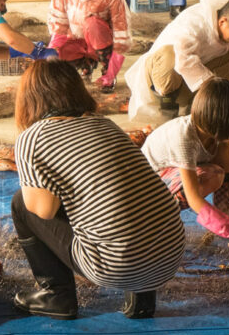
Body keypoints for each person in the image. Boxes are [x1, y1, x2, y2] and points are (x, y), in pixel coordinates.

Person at [12, 59, 185, 320]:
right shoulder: (104, 123)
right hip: (170, 254)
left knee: (21, 204)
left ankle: (56, 295)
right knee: (113, 195)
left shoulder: (32, 137)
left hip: (116, 265)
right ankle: (143, 296)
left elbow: (43, 211)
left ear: (29, 98)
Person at [142, 78, 229, 255]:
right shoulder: (184, 138)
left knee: (225, 149)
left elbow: (211, 155)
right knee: (212, 175)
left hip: (174, 174)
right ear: (220, 121)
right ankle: (158, 225)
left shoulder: (208, 130)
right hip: (148, 188)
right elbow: (194, 199)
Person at [125, 0, 229, 124]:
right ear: (223, 22)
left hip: (191, 80)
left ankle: (197, 106)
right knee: (170, 56)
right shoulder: (193, 25)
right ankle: (168, 111)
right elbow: (184, 62)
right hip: (162, 80)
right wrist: (215, 88)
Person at [48, 0, 131, 93]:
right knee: (54, 57)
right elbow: (58, 20)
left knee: (93, 24)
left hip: (99, 44)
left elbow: (121, 31)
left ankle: (105, 71)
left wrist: (111, 73)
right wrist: (52, 51)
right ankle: (86, 66)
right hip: (73, 41)